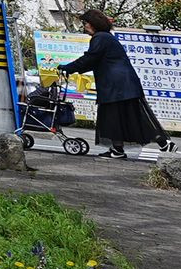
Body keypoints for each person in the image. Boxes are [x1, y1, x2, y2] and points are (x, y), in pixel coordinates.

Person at [57, 8, 166, 159]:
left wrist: (68, 67)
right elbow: (94, 61)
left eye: (86, 23)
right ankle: (119, 149)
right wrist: (72, 68)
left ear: (93, 24)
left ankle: (162, 144)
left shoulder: (100, 38)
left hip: (116, 86)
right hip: (123, 84)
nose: (85, 26)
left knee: (117, 118)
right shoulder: (107, 37)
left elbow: (90, 58)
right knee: (125, 117)